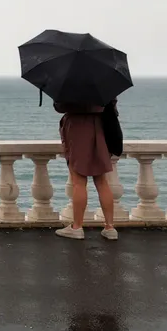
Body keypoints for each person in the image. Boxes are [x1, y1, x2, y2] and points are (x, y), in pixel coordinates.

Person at [54, 100, 118, 241]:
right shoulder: (103, 87)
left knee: (79, 181)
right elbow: (112, 104)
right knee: (102, 181)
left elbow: (61, 106)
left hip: (77, 129)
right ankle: (110, 228)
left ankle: (77, 227)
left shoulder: (72, 87)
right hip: (100, 128)